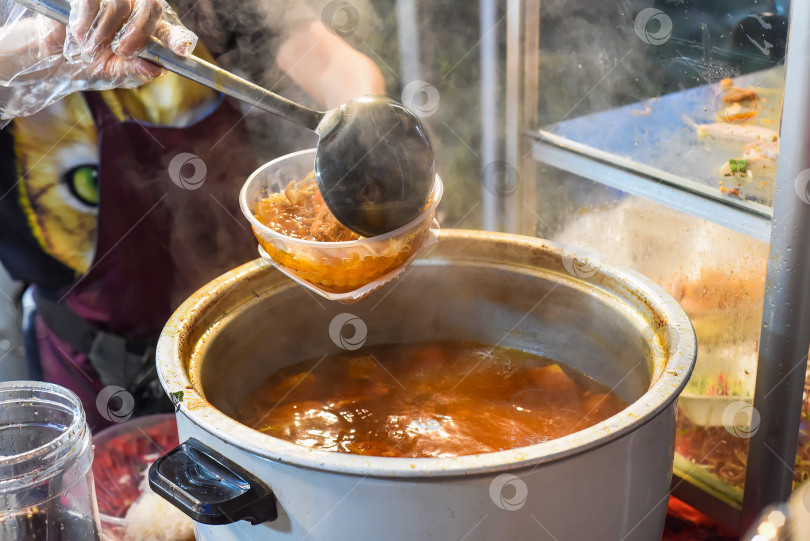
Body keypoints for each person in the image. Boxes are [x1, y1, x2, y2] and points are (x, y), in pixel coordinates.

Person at [0, 0, 384, 430]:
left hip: (241, 327)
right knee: (114, 491)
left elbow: (328, 61)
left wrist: (367, 128)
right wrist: (40, 47)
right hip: (86, 357)